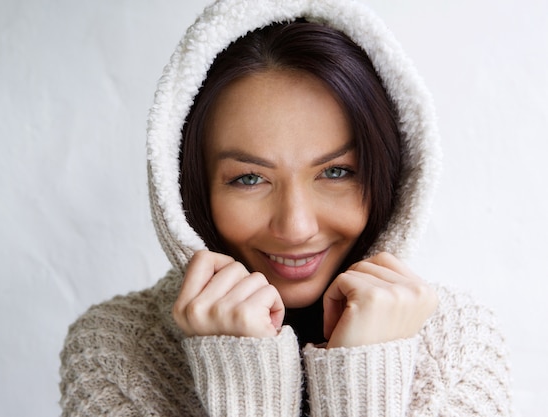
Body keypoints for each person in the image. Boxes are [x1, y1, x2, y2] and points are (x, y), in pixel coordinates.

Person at [59, 0, 513, 416]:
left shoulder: (458, 348)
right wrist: (243, 382)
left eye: (336, 172)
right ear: (189, 187)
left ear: (391, 176)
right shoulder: (117, 350)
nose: (295, 227)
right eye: (249, 178)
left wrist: (364, 378)